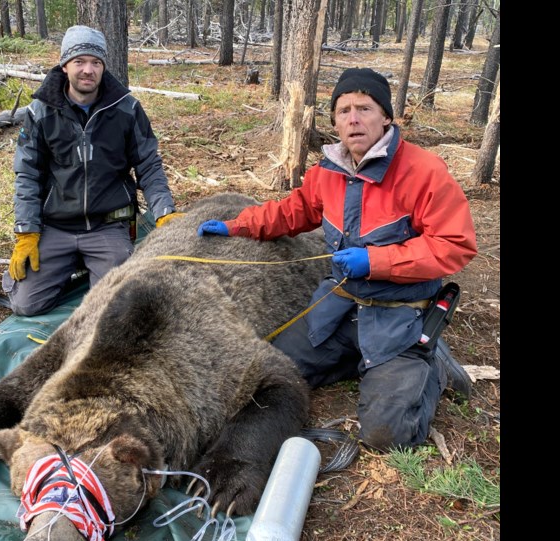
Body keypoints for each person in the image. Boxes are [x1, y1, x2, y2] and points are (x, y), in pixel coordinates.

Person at [197, 67, 477, 451]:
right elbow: (292, 212)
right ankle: (365, 363)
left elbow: (454, 245)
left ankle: (431, 367)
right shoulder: (328, 171)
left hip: (402, 317)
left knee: (386, 436)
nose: (354, 119)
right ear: (334, 121)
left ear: (386, 117)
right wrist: (236, 226)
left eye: (364, 108)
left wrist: (376, 262)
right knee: (264, 374)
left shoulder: (424, 172)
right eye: (344, 111)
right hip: (340, 311)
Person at [6, 25, 179, 316]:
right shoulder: (40, 112)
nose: (88, 70)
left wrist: (164, 212)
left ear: (103, 67)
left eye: (96, 62)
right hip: (56, 226)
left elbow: (149, 165)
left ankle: (93, 265)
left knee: (113, 309)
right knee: (25, 305)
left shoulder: (126, 109)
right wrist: (27, 232)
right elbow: (28, 174)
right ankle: (65, 267)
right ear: (64, 66)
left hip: (106, 226)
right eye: (80, 62)